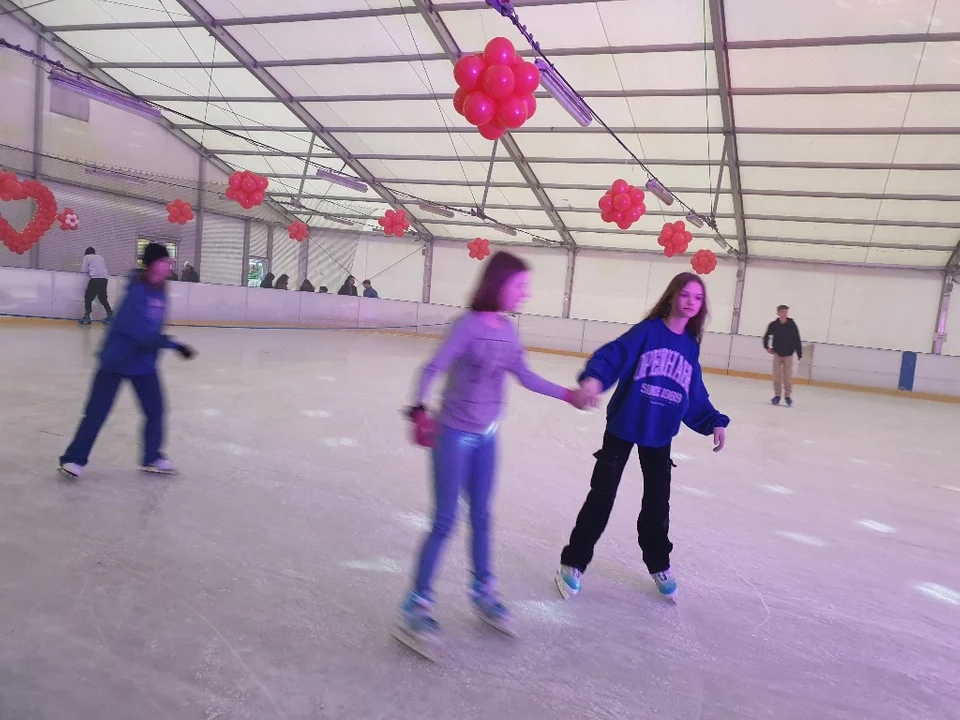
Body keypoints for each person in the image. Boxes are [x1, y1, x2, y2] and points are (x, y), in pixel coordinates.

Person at [395, 251, 590, 658]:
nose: (526, 293)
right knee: (446, 520)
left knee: (483, 516)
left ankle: (483, 590)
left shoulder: (508, 331)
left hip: (487, 436)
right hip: (452, 435)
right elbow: (433, 368)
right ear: (497, 284)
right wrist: (418, 409)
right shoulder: (467, 326)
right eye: (520, 286)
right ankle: (416, 603)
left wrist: (568, 395)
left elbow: (525, 375)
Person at [556, 272, 730, 603]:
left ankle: (659, 564)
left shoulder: (689, 348)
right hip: (624, 425)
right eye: (685, 295)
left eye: (697, 298)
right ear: (671, 297)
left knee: (656, 505)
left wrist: (714, 421)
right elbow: (615, 354)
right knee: (601, 498)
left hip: (660, 433)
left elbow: (694, 393)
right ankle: (572, 563)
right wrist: (594, 380)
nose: (691, 302)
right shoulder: (648, 332)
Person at [58, 243, 197, 479]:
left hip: (144, 364)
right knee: (97, 412)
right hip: (117, 360)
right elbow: (141, 333)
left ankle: (151, 456)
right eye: (166, 261)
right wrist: (174, 345)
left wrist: (168, 345)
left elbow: (154, 327)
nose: (170, 265)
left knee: (155, 410)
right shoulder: (137, 292)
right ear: (154, 264)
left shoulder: (161, 289)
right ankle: (73, 459)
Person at [763, 305, 803, 407]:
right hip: (777, 353)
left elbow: (797, 338)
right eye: (782, 312)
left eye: (785, 311)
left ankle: (787, 396)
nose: (784, 313)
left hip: (789, 354)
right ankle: (777, 396)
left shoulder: (791, 324)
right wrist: (767, 347)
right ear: (778, 313)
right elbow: (767, 335)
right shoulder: (774, 325)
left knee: (787, 376)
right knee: (777, 376)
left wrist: (799, 353)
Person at [79, 247, 112, 325]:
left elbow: (83, 270)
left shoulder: (87, 257)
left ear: (86, 253)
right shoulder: (101, 257)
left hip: (95, 279)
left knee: (88, 297)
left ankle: (87, 317)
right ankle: (110, 315)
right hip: (104, 279)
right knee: (103, 298)